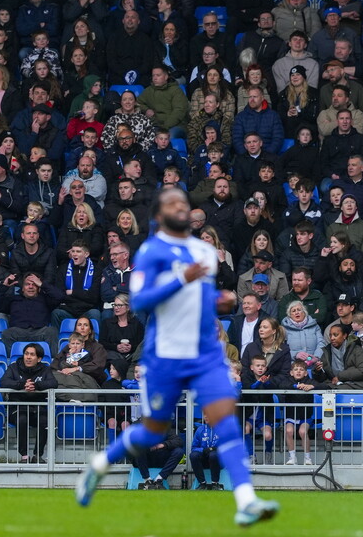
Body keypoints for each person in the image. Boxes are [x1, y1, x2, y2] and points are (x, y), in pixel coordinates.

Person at [76, 187, 279, 528]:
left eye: (184, 203)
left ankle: (246, 501)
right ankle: (99, 465)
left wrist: (221, 301)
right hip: (166, 354)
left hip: (204, 351)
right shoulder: (152, 252)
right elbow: (140, 301)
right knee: (152, 430)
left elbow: (197, 298)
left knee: (225, 423)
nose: (181, 208)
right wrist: (181, 278)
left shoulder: (203, 249)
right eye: (173, 204)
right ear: (159, 215)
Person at [1, 342, 58, 463]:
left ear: (39, 358)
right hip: (18, 407)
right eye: (26, 354)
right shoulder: (14, 367)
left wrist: (36, 386)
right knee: (22, 419)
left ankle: (38, 455)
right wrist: (22, 385)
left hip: (38, 408)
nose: (28, 357)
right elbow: (4, 382)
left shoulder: (45, 369)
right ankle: (24, 456)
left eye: (32, 355)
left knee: (44, 421)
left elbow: (53, 383)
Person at [190, 414, 224, 489]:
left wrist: (216, 449)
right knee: (193, 455)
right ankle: (202, 483)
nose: (206, 416)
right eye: (204, 414)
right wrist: (204, 450)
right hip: (204, 460)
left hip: (219, 461)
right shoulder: (200, 429)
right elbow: (194, 448)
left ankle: (215, 484)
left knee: (213, 455)